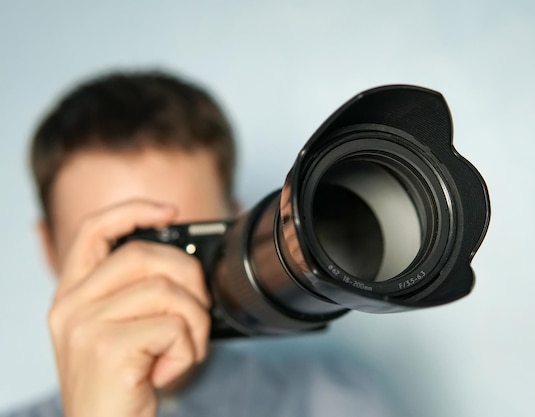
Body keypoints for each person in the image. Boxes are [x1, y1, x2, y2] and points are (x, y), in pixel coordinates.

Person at [1, 70, 403, 417]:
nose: (156, 281)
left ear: (239, 226)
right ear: (50, 248)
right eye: (121, 247)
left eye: (188, 242)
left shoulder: (336, 400)